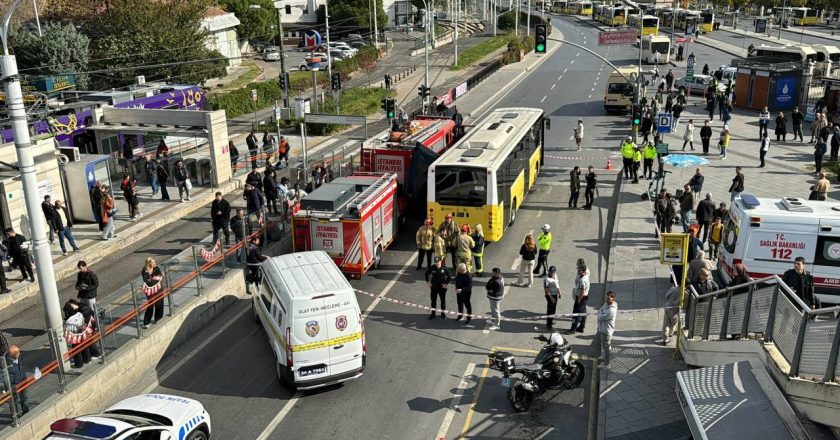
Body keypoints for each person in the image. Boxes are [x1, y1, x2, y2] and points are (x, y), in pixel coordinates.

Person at [4, 345, 29, 414]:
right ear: (13, 355)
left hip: (23, 382)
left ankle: (26, 411)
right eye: (17, 353)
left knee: (24, 398)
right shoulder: (6, 364)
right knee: (13, 402)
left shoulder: (19, 358)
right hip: (14, 386)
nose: (19, 353)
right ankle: (15, 416)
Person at [141, 257, 165, 329]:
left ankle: (158, 319)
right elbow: (148, 281)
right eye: (153, 262)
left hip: (158, 288)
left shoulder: (156, 267)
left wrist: (155, 278)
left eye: (154, 262)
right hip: (149, 290)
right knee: (151, 305)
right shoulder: (144, 270)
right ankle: (146, 323)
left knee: (159, 303)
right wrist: (156, 278)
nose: (155, 263)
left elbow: (159, 275)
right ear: (149, 263)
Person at [568, 259, 590, 333]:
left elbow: (582, 291)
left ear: (583, 271)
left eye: (579, 270)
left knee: (576, 314)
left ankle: (573, 329)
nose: (578, 271)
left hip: (581, 298)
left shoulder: (582, 280)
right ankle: (581, 327)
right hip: (584, 297)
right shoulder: (586, 276)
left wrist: (578, 301)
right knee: (583, 312)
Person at [597, 291, 617, 367]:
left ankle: (606, 363)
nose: (606, 299)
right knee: (605, 345)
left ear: (613, 299)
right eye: (606, 297)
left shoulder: (611, 310)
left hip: (606, 331)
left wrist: (600, 313)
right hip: (603, 328)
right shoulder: (607, 304)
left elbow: (600, 316)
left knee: (606, 347)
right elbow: (600, 310)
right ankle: (604, 356)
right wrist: (601, 312)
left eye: (608, 298)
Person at [543, 266, 561, 330]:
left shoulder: (555, 275)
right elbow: (546, 290)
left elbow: (557, 284)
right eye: (551, 272)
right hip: (550, 296)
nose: (552, 273)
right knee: (550, 310)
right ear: (549, 272)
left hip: (555, 295)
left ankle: (551, 320)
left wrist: (559, 292)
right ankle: (549, 325)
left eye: (553, 272)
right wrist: (551, 298)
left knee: (553, 309)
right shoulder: (546, 279)